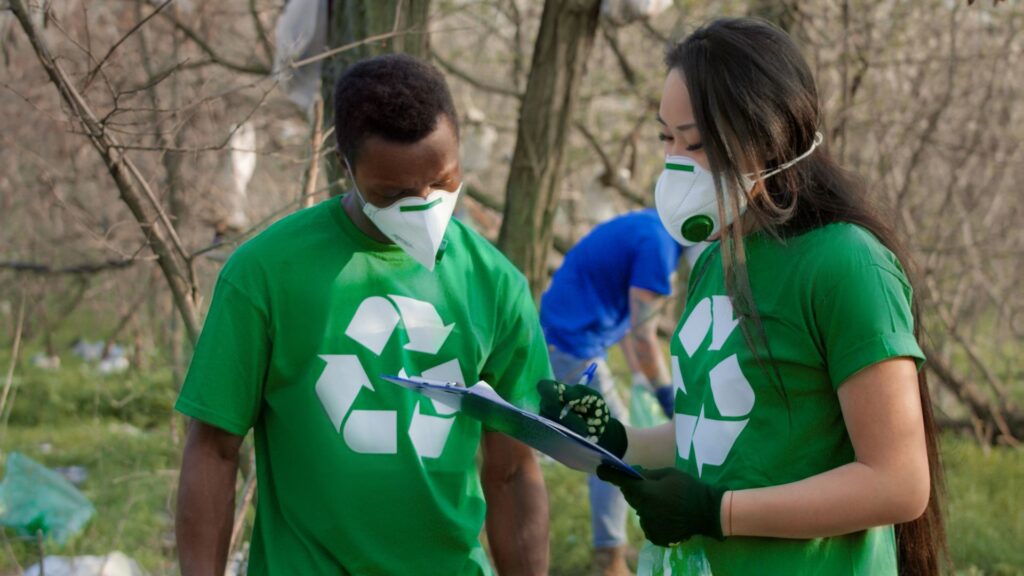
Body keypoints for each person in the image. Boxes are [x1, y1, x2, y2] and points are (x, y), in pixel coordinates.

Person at [539, 17, 946, 576]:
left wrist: (718, 511)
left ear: (768, 135)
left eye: (698, 143)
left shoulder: (847, 264)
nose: (676, 162)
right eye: (667, 138)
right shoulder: (715, 260)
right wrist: (617, 439)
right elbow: (717, 427)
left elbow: (898, 482)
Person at [175, 54, 552, 575]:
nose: (422, 204)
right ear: (344, 165)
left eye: (441, 182)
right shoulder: (265, 273)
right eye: (393, 193)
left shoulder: (495, 285)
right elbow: (214, 449)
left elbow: (512, 471)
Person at [540, 209, 683, 575]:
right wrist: (670, 401)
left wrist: (637, 376)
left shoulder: (648, 227)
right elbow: (644, 336)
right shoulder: (657, 245)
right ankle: (609, 557)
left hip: (572, 336)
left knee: (611, 444)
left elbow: (623, 319)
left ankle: (612, 542)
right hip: (571, 343)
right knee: (614, 449)